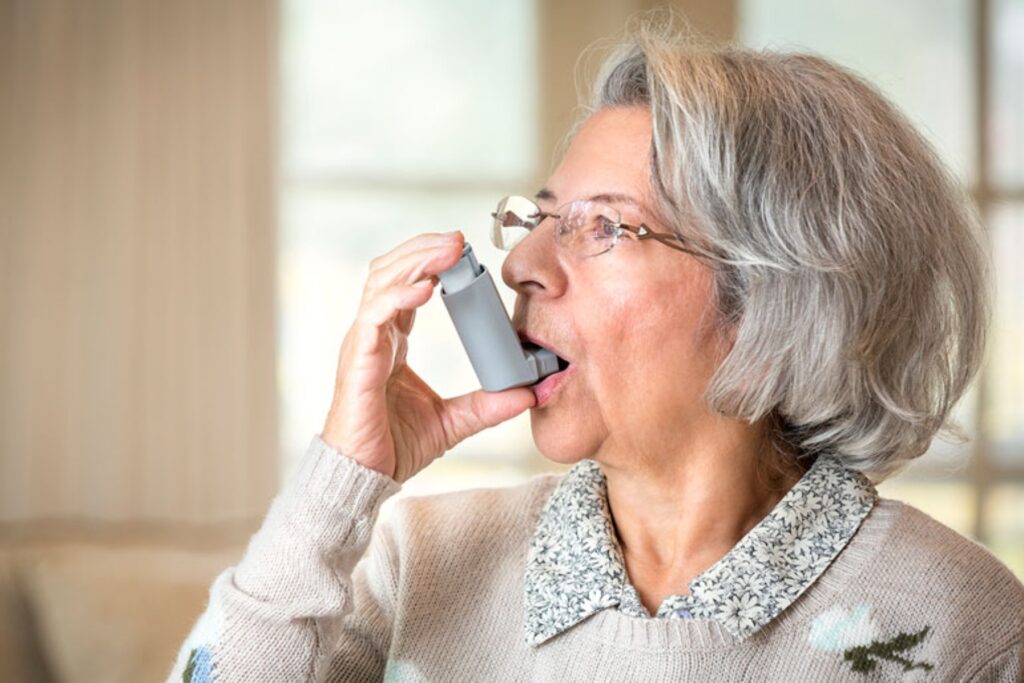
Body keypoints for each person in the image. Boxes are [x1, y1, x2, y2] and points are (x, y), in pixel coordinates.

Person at [169, 14, 1024, 682]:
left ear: (771, 295)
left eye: (603, 227)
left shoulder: (963, 627)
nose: (522, 264)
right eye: (539, 218)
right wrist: (336, 484)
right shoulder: (419, 564)